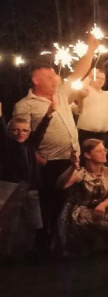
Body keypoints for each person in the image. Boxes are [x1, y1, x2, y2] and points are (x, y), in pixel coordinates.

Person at [13, 36, 99, 253]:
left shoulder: (61, 93)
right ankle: (42, 246)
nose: (55, 79)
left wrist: (90, 49)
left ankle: (62, 243)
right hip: (47, 163)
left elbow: (79, 72)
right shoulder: (25, 105)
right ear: (36, 80)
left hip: (71, 160)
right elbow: (19, 139)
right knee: (47, 205)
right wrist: (36, 158)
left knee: (66, 205)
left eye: (54, 75)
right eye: (49, 76)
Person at [56, 139, 108, 257]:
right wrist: (72, 167)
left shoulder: (105, 171)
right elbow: (61, 184)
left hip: (97, 208)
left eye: (104, 150)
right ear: (87, 155)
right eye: (99, 151)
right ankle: (90, 244)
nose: (104, 153)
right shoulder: (81, 173)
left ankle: (106, 242)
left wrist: (102, 205)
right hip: (79, 212)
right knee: (88, 219)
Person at [0, 99, 55, 258]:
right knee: (8, 224)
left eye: (24, 130)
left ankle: (28, 250)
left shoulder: (30, 145)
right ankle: (5, 253)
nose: (21, 133)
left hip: (31, 188)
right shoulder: (6, 146)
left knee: (34, 222)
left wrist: (49, 114)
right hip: (11, 188)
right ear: (9, 131)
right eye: (16, 130)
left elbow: (40, 131)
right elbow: (1, 132)